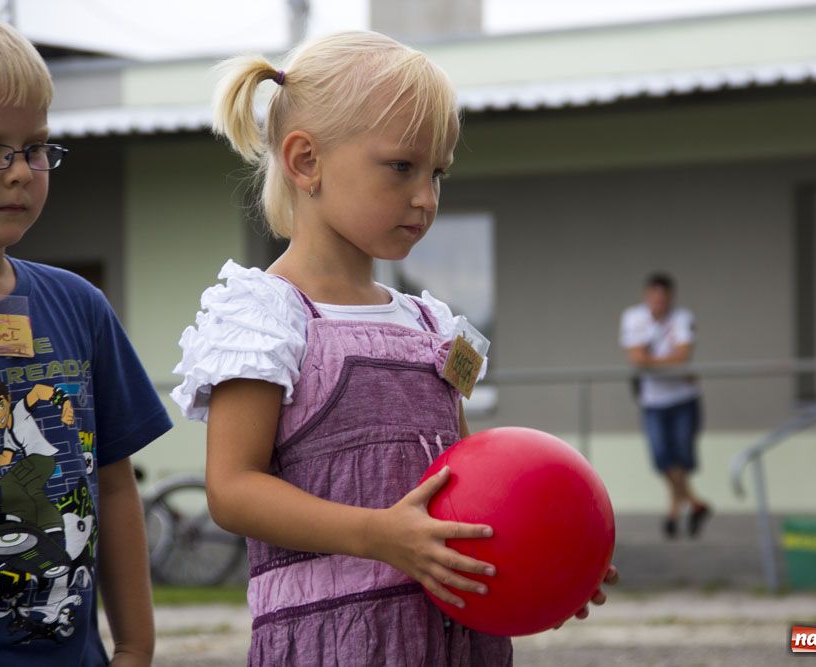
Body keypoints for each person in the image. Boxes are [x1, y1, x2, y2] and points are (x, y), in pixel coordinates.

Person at [172, 31, 616, 666]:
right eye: (401, 167)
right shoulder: (264, 316)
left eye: (437, 173)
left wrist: (545, 561)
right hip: (336, 642)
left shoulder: (433, 322)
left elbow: (467, 475)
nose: (426, 197)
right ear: (305, 162)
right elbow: (233, 490)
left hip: (462, 639)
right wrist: (380, 536)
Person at [0, 4, 172, 665]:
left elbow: (114, 485)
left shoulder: (79, 305)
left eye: (35, 147)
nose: (21, 171)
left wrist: (135, 645)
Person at [621, 273, 710, 539]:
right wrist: (666, 362)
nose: (658, 303)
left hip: (683, 398)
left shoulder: (683, 317)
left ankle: (674, 512)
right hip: (654, 401)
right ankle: (695, 504)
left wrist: (652, 362)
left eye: (663, 298)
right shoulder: (633, 318)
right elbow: (636, 358)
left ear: (670, 298)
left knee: (680, 458)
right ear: (646, 297)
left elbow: (682, 356)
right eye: (654, 297)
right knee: (662, 458)